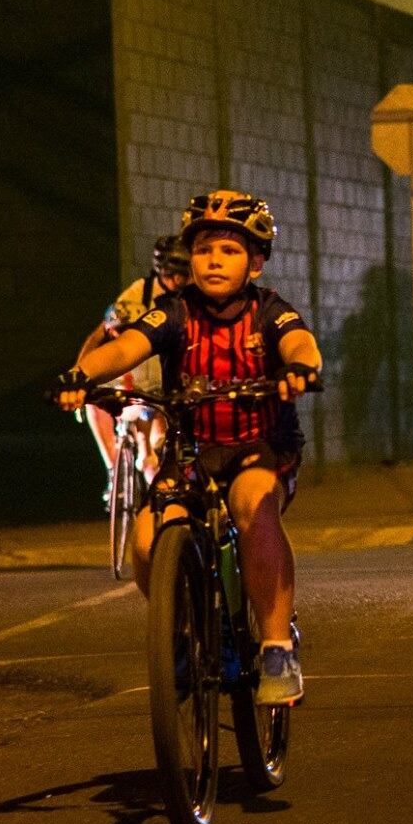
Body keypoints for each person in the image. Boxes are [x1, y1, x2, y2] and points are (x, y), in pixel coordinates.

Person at [52, 190, 322, 706]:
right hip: (191, 452)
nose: (214, 260)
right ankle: (186, 629)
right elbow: (126, 347)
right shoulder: (174, 312)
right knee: (148, 540)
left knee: (253, 506)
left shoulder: (270, 312)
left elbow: (300, 343)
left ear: (256, 263)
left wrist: (299, 369)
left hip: (258, 446)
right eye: (203, 250)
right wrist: (79, 376)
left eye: (229, 250)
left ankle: (277, 649)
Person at [76, 234, 191, 487]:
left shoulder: (192, 296)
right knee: (95, 406)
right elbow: (102, 331)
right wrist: (77, 373)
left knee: (157, 451)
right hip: (137, 380)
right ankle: (113, 471)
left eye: (185, 275)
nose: (179, 282)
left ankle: (158, 492)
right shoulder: (139, 293)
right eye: (174, 275)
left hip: (168, 384)